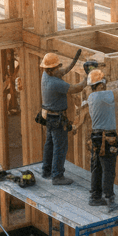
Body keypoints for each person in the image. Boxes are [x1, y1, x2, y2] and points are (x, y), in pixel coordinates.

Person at [84, 69, 118, 207]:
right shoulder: (105, 96)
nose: (106, 84)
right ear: (99, 85)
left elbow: (112, 87)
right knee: (109, 169)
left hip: (96, 137)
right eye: (104, 83)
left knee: (97, 168)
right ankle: (109, 198)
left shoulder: (91, 96)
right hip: (107, 138)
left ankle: (95, 197)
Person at [40, 52, 87, 185]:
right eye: (57, 67)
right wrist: (87, 78)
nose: (59, 69)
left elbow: (62, 72)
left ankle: (46, 171)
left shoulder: (45, 75)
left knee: (49, 144)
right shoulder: (55, 83)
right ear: (52, 69)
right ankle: (57, 176)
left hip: (49, 117)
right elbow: (76, 88)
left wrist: (74, 61)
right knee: (60, 146)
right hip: (57, 119)